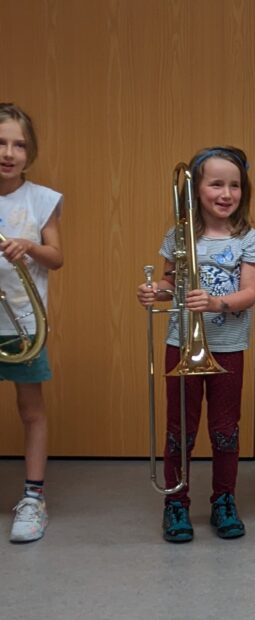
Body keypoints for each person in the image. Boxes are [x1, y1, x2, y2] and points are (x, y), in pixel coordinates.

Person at [136, 146, 255, 543]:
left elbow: (250, 294)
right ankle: (176, 500)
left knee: (225, 429)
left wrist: (215, 303)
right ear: (198, 190)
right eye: (216, 184)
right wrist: (155, 292)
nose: (226, 194)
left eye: (235, 186)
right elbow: (172, 282)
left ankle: (224, 498)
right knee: (180, 430)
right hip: (181, 343)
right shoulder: (178, 234)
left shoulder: (249, 238)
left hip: (227, 347)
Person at [0, 103, 64, 543]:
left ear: (30, 150)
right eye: (1, 143)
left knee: (31, 411)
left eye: (19, 144)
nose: (9, 152)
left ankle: (33, 497)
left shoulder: (42, 199)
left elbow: (57, 257)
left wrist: (29, 246)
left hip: (23, 323)